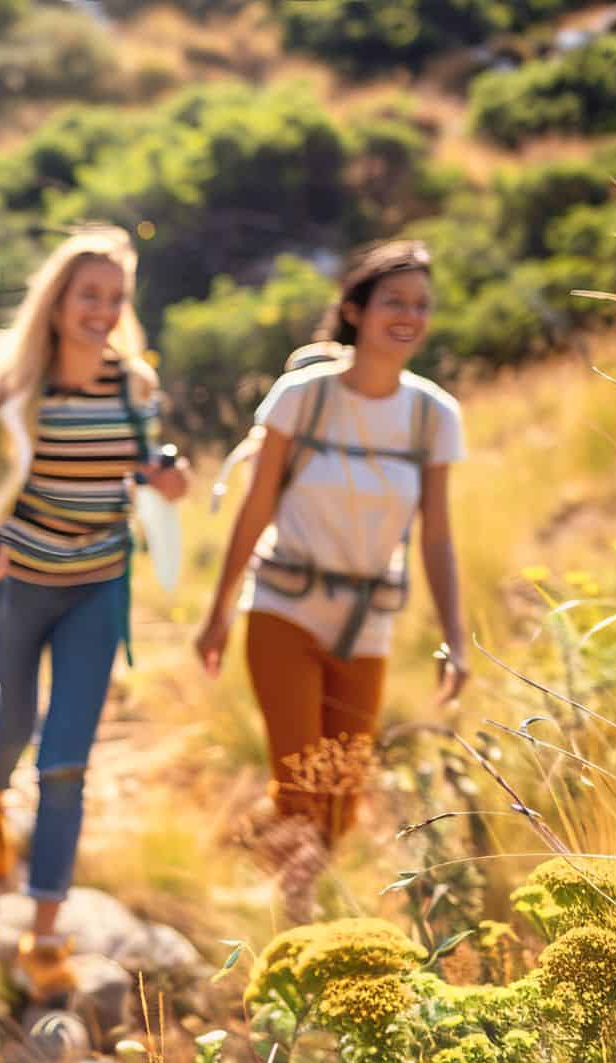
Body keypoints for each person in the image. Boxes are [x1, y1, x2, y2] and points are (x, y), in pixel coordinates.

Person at [0, 225, 190, 1000]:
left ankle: (44, 933)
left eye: (115, 298)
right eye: (88, 296)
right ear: (58, 301)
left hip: (98, 586)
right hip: (18, 585)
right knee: (10, 728)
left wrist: (164, 486)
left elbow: (141, 475)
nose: (102, 311)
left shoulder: (135, 388)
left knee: (66, 760)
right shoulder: (19, 385)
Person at [193, 239, 467, 908]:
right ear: (355, 310)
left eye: (421, 306)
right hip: (283, 610)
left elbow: (436, 532)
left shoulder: (434, 415)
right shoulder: (303, 397)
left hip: (367, 625)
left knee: (344, 796)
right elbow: (256, 507)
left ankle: (264, 855)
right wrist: (219, 610)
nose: (408, 317)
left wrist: (457, 636)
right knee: (301, 781)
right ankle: (296, 921)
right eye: (393, 302)